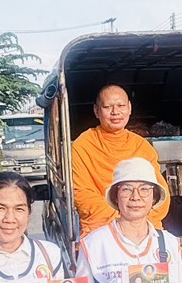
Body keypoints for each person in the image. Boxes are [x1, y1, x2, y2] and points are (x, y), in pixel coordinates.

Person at [70, 84, 171, 235]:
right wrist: (121, 220)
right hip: (103, 225)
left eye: (121, 105)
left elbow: (158, 191)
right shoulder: (83, 145)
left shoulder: (141, 146)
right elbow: (83, 194)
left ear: (129, 108)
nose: (115, 112)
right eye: (108, 107)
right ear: (96, 111)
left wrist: (138, 220)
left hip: (144, 223)